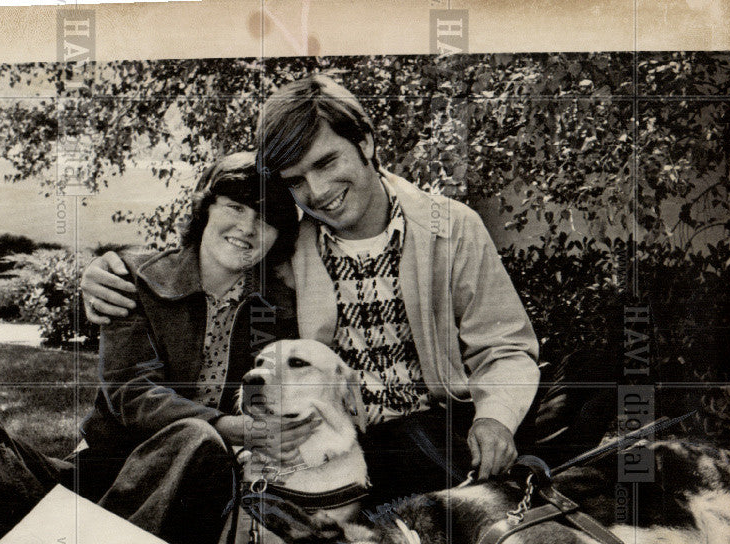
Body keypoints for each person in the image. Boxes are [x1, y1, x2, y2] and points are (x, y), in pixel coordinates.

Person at [82, 74, 545, 504]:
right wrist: (106, 273)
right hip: (331, 434)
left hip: (439, 423)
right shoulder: (289, 245)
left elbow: (503, 346)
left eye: (326, 162)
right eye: (296, 181)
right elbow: (207, 263)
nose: (318, 190)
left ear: (364, 141)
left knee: (579, 381)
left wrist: (494, 418)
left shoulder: (451, 227)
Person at [0, 152, 304, 544]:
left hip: (188, 492)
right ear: (206, 208)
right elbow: (130, 394)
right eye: (235, 206)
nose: (248, 227)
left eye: (267, 220)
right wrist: (231, 424)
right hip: (99, 474)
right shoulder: (134, 278)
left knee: (195, 439)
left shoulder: (275, 310)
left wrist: (230, 434)